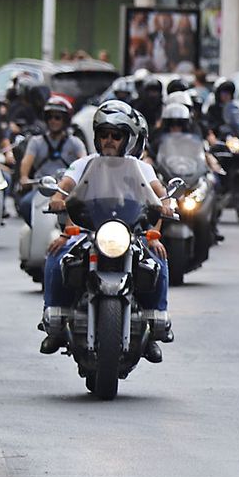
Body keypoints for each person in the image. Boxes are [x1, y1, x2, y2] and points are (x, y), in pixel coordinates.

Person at [39, 102, 173, 359]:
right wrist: (57, 198)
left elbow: (160, 195)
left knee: (158, 257)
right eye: (104, 134)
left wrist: (165, 210)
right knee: (58, 255)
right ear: (97, 137)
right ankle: (54, 321)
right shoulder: (84, 164)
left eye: (116, 135)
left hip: (130, 232)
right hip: (89, 230)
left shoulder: (141, 167)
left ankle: (155, 322)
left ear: (127, 138)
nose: (109, 140)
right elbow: (65, 187)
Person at [18, 96, 86, 224]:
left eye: (57, 118)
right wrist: (24, 177)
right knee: (26, 204)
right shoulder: (36, 141)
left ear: (65, 120)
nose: (53, 121)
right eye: (50, 117)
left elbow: (84, 163)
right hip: (42, 190)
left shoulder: (75, 143)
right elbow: (27, 161)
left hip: (66, 190)